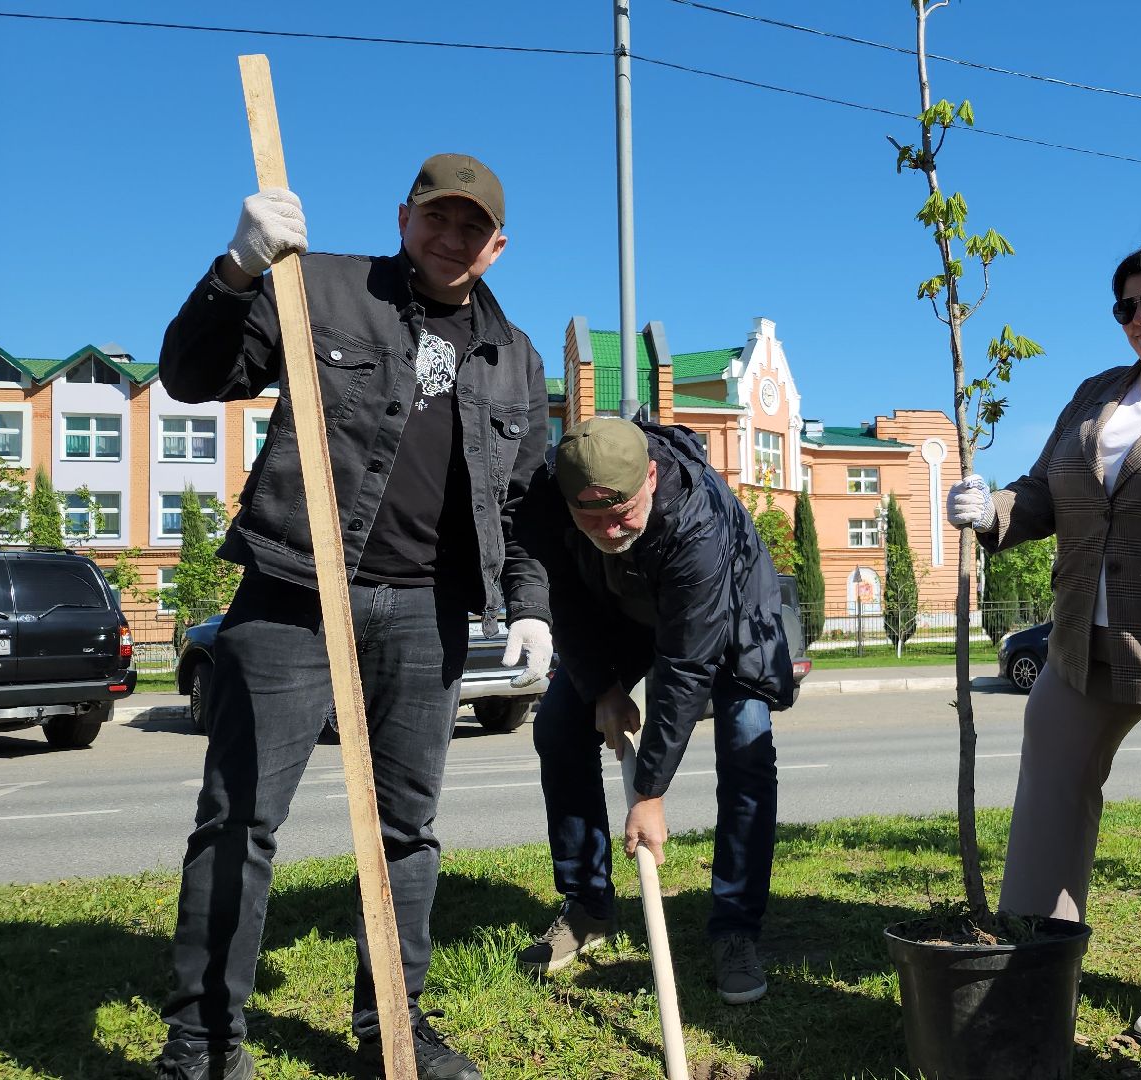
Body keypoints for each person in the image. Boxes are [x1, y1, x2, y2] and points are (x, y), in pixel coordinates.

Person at [153, 155, 553, 1080]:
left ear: (497, 246)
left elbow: (525, 500)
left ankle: (393, 1032)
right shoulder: (315, 286)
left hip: (428, 615)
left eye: (472, 228)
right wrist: (236, 270)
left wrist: (530, 608)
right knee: (240, 820)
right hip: (294, 591)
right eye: (436, 219)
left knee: (405, 831)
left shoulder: (515, 356)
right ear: (404, 217)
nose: (451, 239)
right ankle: (204, 1041)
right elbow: (188, 376)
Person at [946, 239, 1141, 1046]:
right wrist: (993, 512)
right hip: (1076, 644)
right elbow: (1045, 493)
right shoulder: (1096, 397)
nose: (1136, 321)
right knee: (1049, 796)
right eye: (1124, 307)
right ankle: (1036, 950)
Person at [513, 417, 794, 1005]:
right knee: (561, 724)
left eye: (623, 514)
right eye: (592, 519)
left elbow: (686, 668)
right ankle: (587, 904)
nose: (611, 530)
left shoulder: (696, 522)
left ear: (652, 475)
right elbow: (562, 592)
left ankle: (736, 927)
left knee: (746, 746)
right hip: (623, 605)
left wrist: (649, 795)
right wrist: (603, 688)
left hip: (734, 611)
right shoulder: (547, 496)